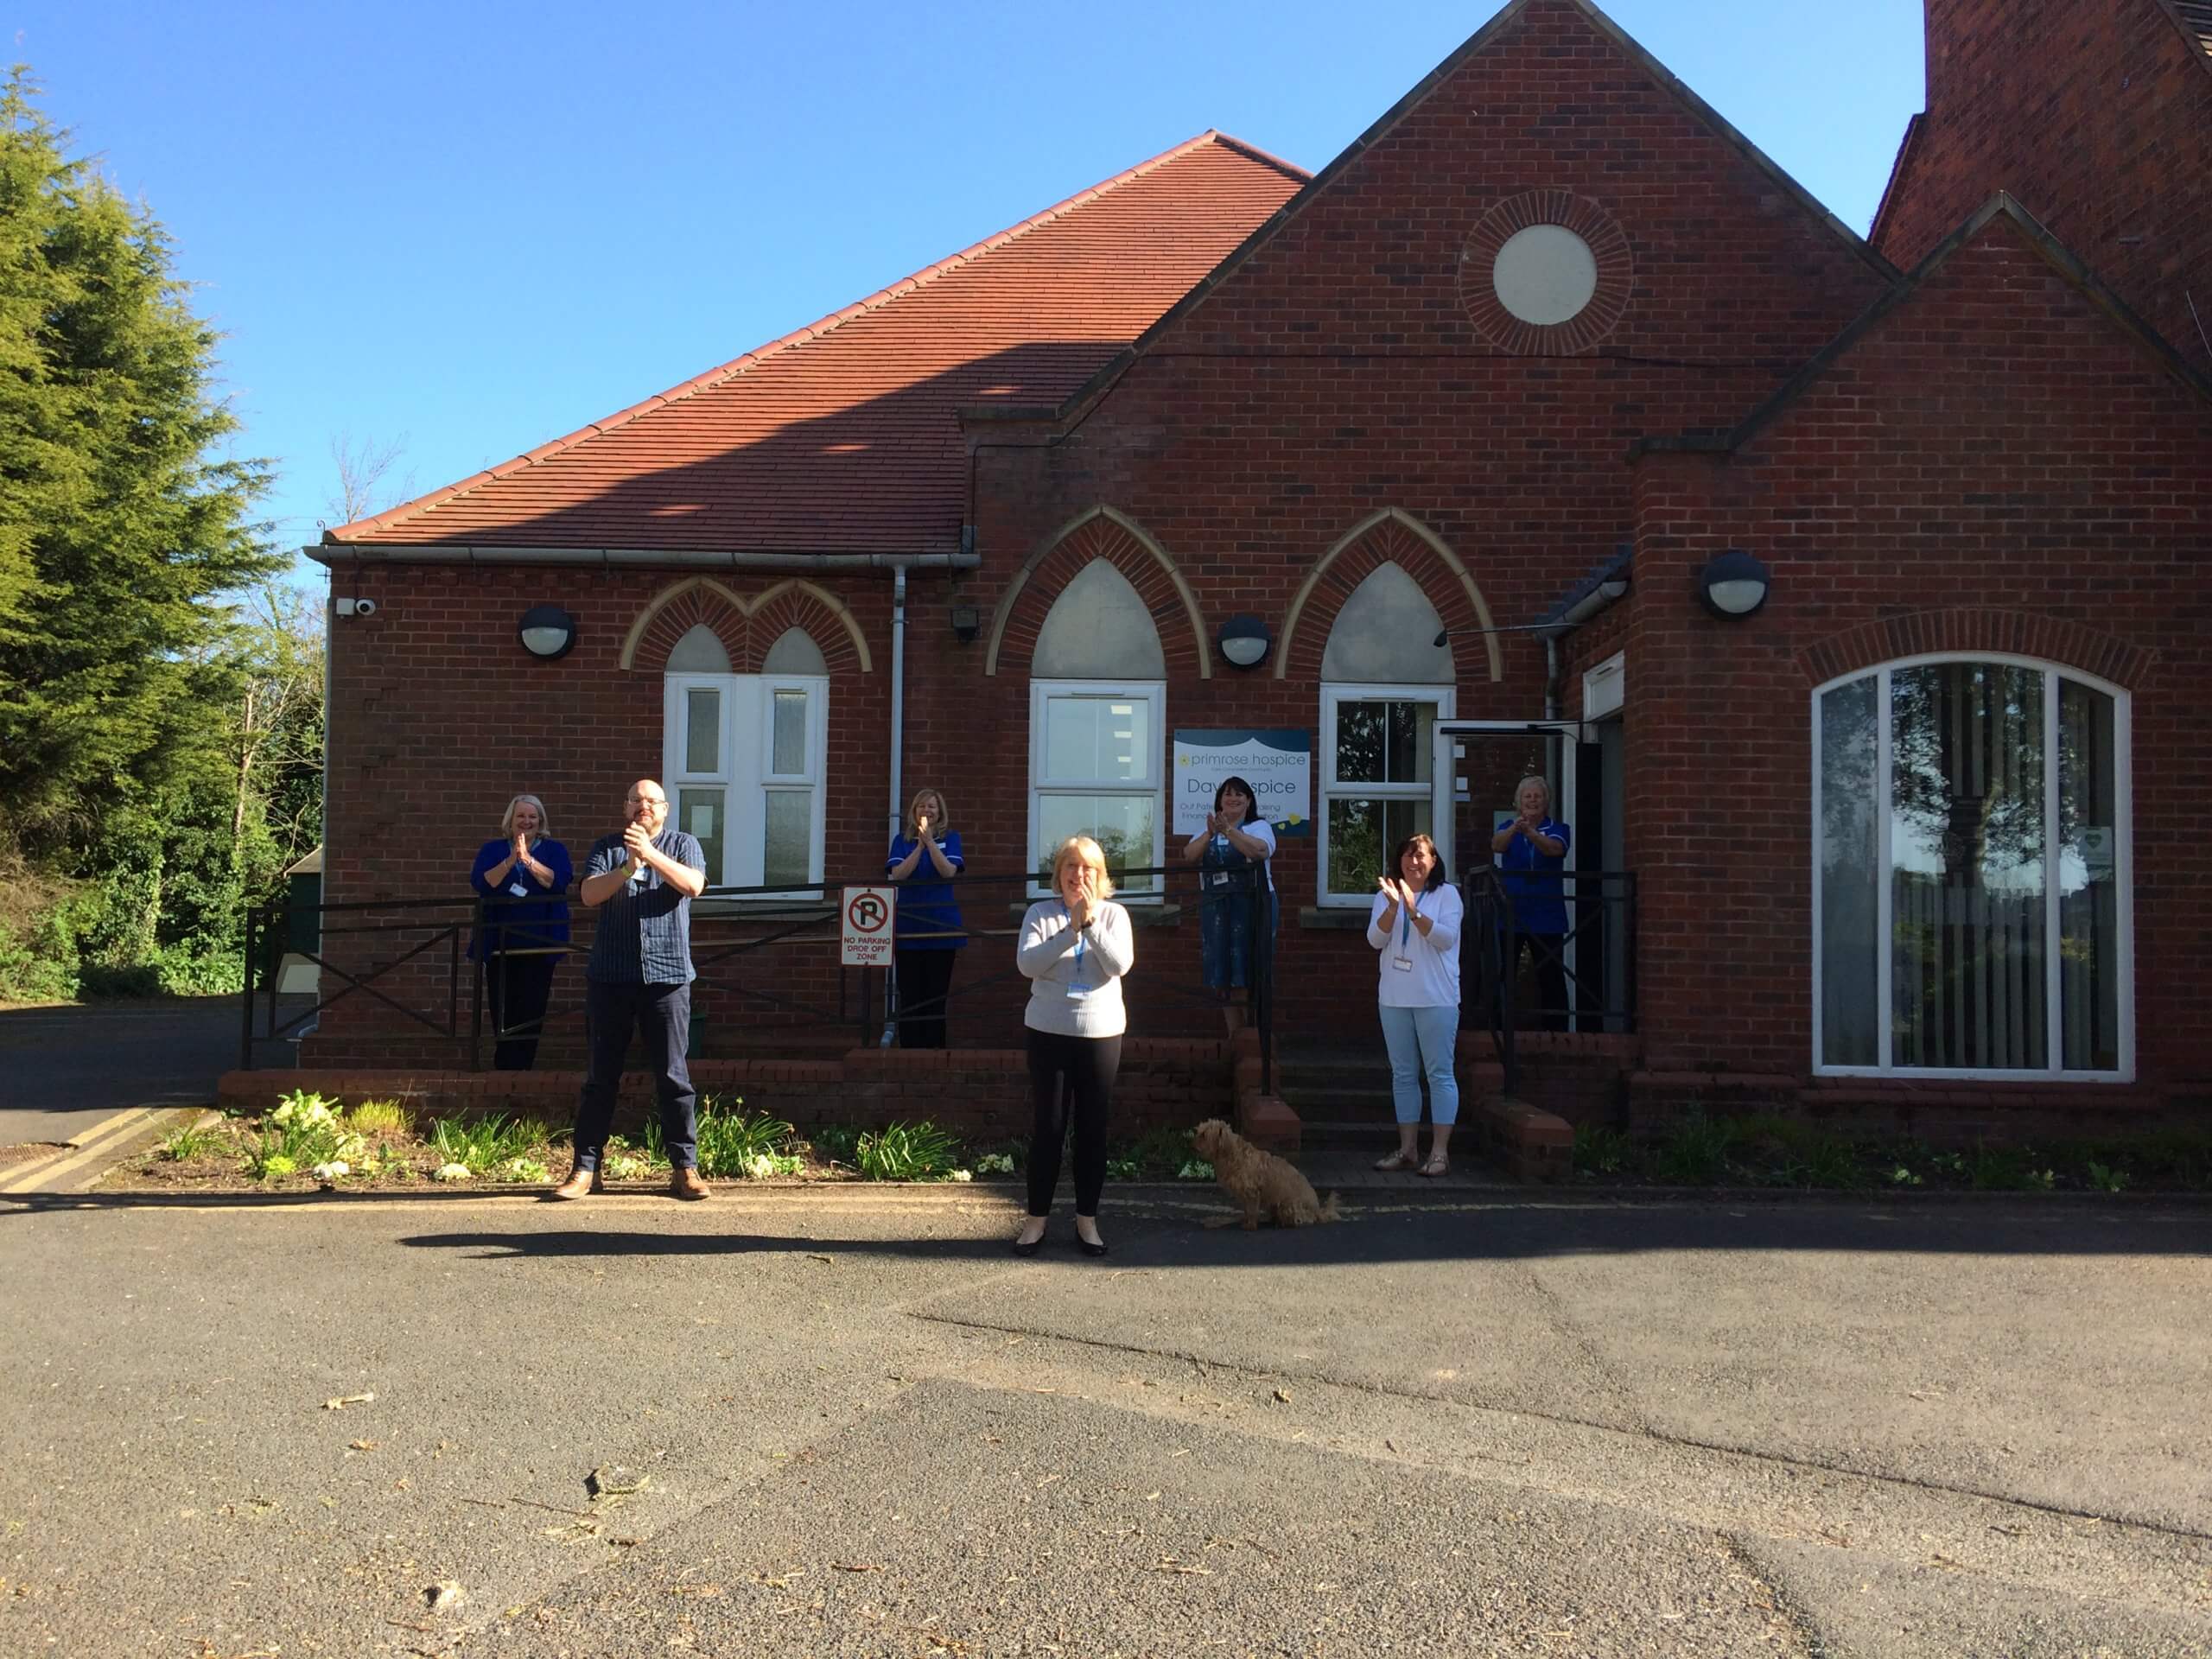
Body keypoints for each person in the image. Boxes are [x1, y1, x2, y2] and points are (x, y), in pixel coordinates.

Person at [555, 779, 712, 1201]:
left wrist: (650, 856)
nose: (644, 806)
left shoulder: (683, 843)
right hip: (611, 977)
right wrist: (627, 866)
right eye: (636, 800)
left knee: (674, 1077)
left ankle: (685, 1169)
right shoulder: (607, 847)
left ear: (665, 809)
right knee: (600, 1078)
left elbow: (693, 886)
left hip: (668, 977)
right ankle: (585, 1170)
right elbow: (589, 895)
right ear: (626, 808)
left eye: (652, 801)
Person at [1013, 836, 1135, 1257]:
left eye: (1087, 869)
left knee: (1092, 1131)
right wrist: (1069, 931)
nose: (1077, 876)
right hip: (1048, 1032)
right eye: (1070, 867)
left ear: (1100, 877)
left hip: (1101, 1035)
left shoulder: (1115, 915)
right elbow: (1028, 964)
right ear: (1059, 873)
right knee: (1048, 1129)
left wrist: (1090, 925)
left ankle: (1087, 1222)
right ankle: (1035, 1222)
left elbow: (1119, 965)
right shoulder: (1039, 914)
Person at [1367, 831, 1463, 1178]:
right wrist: (1394, 908)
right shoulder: (1385, 896)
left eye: (1420, 855)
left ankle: (1439, 1153)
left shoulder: (1447, 895)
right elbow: (1375, 940)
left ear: (1433, 861)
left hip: (1436, 998)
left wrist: (1413, 911)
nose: (1413, 861)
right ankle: (1408, 1150)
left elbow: (1445, 938)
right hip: (1394, 998)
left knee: (1439, 1074)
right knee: (1403, 1075)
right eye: (1407, 856)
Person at [468, 794, 573, 1071]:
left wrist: (527, 860)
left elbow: (558, 881)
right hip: (500, 943)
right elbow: (482, 883)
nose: (526, 821)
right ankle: (504, 1068)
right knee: (502, 1009)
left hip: (539, 944)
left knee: (531, 1010)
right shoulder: (492, 849)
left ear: (540, 822)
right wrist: (511, 859)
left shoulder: (554, 850)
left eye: (532, 817)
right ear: (510, 821)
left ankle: (522, 1069)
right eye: (521, 817)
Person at [1178, 774, 1276, 1001]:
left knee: (1247, 968)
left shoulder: (1259, 827)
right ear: (1219, 801)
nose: (1233, 798)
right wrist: (1211, 834)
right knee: (1220, 971)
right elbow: (1189, 855)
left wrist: (1230, 831)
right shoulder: (1207, 831)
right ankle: (1235, 1034)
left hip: (1252, 906)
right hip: (1216, 908)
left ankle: (1250, 1032)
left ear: (1249, 801)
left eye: (1239, 794)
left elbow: (1259, 851)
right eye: (1227, 794)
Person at [886, 786, 965, 1048]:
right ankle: (909, 1052)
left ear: (940, 812)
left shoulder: (951, 838)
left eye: (932, 806)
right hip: (909, 930)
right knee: (910, 994)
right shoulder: (901, 841)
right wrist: (919, 847)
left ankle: (934, 1053)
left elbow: (948, 871)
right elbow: (898, 875)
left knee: (935, 995)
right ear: (914, 811)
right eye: (922, 806)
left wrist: (931, 843)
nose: (927, 811)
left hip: (941, 929)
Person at [1491, 775, 1572, 1033]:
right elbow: (1497, 845)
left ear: (1546, 802)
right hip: (1512, 913)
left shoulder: (1559, 828)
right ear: (1518, 802)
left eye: (1537, 796)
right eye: (1527, 796)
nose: (1533, 800)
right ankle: (1500, 1028)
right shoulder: (1508, 826)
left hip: (1546, 915)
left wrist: (1531, 834)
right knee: (1505, 972)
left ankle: (1556, 1032)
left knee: (1550, 975)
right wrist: (1517, 829)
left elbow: (1554, 850)